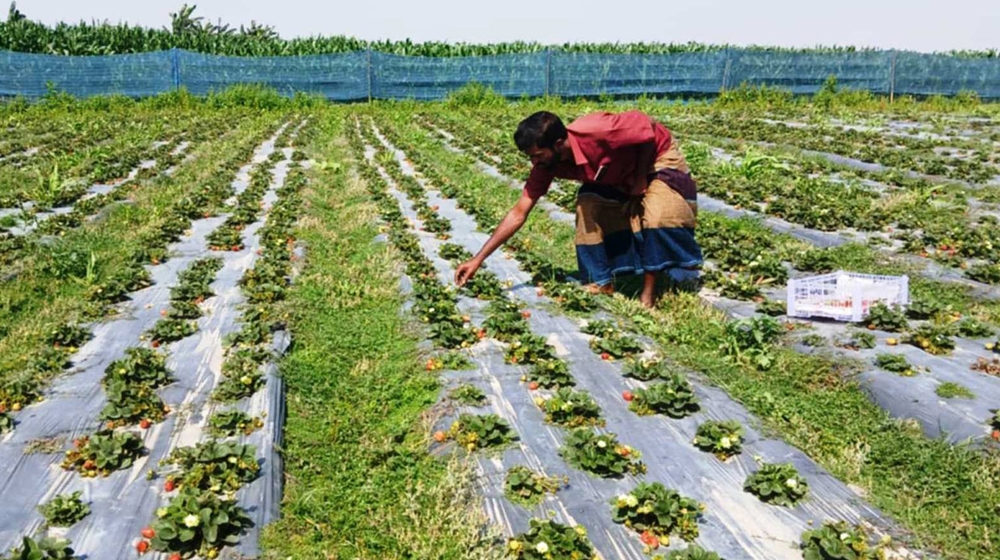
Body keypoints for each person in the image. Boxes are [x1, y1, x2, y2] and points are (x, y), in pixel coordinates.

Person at [454, 109, 703, 308]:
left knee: (659, 215)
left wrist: (640, 178)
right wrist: (479, 259)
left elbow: (646, 128)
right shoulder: (547, 164)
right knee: (589, 202)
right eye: (530, 157)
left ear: (559, 143)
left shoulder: (598, 131)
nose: (534, 162)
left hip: (656, 158)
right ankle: (600, 282)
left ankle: (651, 292)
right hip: (620, 172)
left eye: (538, 155)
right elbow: (520, 212)